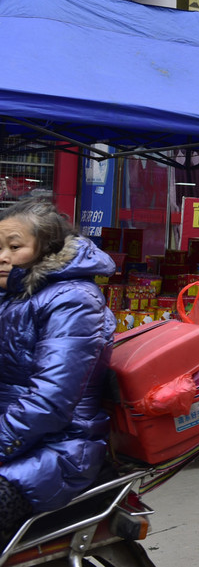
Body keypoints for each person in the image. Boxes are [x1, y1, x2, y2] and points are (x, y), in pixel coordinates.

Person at [0, 197, 117, 542]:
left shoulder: (74, 300)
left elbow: (49, 401)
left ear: (46, 248)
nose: (3, 257)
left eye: (14, 247)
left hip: (58, 449)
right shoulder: (11, 294)